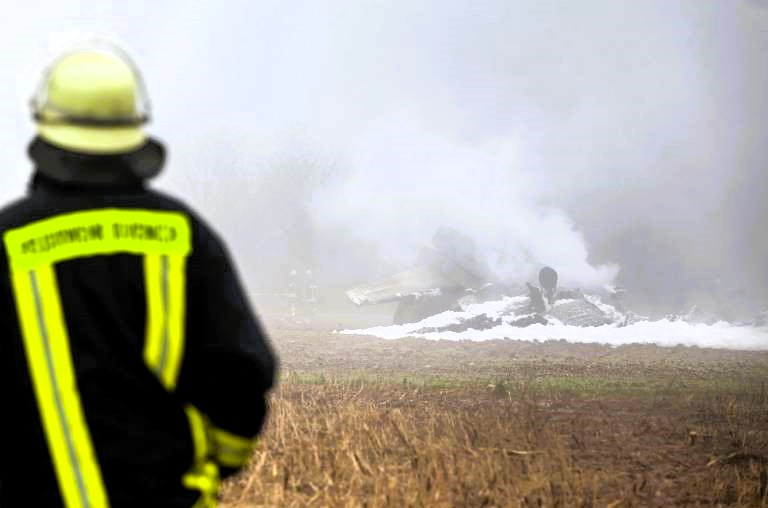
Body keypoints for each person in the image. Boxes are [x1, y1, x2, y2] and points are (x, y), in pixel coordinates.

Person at [0, 41, 277, 507]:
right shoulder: (185, 237)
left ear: (45, 130)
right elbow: (240, 372)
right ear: (135, 131)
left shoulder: (9, 242)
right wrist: (212, 462)